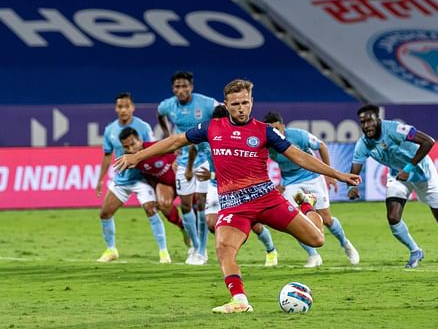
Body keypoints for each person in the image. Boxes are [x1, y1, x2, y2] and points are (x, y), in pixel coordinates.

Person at [114, 79, 361, 313]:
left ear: (251, 101)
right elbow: (175, 141)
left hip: (266, 200)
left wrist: (337, 174)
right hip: (234, 206)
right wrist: (137, 157)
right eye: (235, 104)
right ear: (226, 105)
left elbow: (299, 156)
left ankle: (307, 206)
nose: (241, 108)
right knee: (224, 248)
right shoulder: (212, 127)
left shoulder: (265, 132)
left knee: (317, 240)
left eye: (245, 102)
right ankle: (239, 300)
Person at [348, 104, 438, 268]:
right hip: (398, 176)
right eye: (362, 123)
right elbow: (355, 170)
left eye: (370, 121)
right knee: (393, 217)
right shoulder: (363, 144)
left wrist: (408, 168)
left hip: (422, 173)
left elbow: (428, 142)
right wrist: (351, 187)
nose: (366, 126)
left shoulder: (395, 129)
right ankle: (415, 251)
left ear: (378, 119)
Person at [263, 111, 360, 267]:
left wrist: (329, 174)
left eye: (276, 128)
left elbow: (321, 145)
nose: (274, 132)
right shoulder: (266, 144)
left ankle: (346, 244)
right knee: (294, 221)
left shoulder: (298, 135)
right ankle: (313, 255)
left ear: (283, 126)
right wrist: (279, 183)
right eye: (271, 129)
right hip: (291, 183)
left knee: (327, 219)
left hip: (312, 177)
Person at [197, 105, 279, 267]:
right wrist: (183, 165)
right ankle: (221, 250)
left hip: (239, 188)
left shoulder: (237, 138)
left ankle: (270, 249)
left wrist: (211, 174)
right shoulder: (207, 135)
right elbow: (192, 149)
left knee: (255, 225)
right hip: (217, 187)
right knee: (211, 222)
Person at [95, 92, 169, 264]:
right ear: (116, 108)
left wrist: (158, 180)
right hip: (122, 179)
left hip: (142, 178)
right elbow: (107, 156)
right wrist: (100, 179)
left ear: (132, 108)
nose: (123, 110)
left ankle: (164, 252)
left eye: (126, 106)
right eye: (120, 106)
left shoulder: (142, 127)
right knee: (105, 214)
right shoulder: (110, 130)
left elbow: (153, 150)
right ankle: (111, 249)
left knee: (151, 209)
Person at [157, 71, 218, 265]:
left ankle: (202, 250)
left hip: (204, 158)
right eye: (177, 87)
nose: (181, 90)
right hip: (183, 160)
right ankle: (194, 245)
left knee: (200, 203)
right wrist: (168, 135)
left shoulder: (207, 103)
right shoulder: (168, 106)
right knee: (185, 205)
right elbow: (160, 114)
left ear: (191, 87)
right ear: (172, 89)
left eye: (184, 86)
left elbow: (223, 114)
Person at [119, 126, 192, 258]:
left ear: (140, 140)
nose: (131, 149)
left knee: (195, 207)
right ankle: (183, 227)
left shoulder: (154, 147)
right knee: (163, 205)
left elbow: (178, 147)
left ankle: (199, 241)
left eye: (132, 144)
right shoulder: (131, 160)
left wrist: (179, 159)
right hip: (165, 184)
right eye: (126, 147)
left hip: (182, 178)